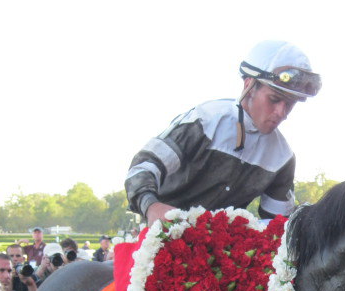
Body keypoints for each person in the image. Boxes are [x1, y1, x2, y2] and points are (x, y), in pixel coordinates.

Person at [125, 40, 321, 225]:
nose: (281, 112)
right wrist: (151, 206)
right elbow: (142, 167)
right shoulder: (205, 120)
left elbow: (278, 223)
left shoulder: (283, 157)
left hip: (223, 252)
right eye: (274, 99)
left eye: (290, 104)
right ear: (249, 86)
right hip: (162, 238)